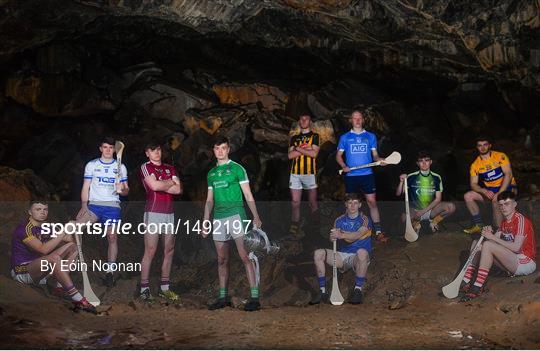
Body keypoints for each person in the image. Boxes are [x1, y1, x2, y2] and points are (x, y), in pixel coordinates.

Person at [201, 136, 263, 312]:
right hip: (218, 218)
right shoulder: (211, 174)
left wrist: (255, 216)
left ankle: (255, 297)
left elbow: (248, 195)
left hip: (236, 215)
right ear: (213, 151)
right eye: (217, 148)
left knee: (245, 256)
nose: (220, 151)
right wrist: (206, 221)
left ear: (228, 149)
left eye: (223, 148)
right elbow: (209, 200)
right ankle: (223, 297)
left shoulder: (237, 169)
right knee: (222, 259)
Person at [10, 200, 96, 313]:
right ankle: (77, 298)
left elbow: (71, 241)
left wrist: (77, 229)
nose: (42, 212)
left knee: (73, 247)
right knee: (54, 258)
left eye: (45, 209)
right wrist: (64, 230)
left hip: (40, 269)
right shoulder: (24, 229)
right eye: (38, 209)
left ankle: (59, 287)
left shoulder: (46, 227)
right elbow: (43, 249)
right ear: (30, 212)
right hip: (23, 271)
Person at [460, 191, 536, 301]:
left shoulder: (521, 220)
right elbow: (491, 240)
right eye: (501, 205)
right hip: (511, 260)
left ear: (514, 204)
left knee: (488, 245)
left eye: (507, 204)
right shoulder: (504, 223)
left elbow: (516, 248)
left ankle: (478, 285)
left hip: (525, 262)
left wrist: (492, 237)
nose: (503, 207)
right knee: (477, 243)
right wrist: (488, 231)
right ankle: (467, 279)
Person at [76, 137, 129, 287]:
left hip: (112, 206)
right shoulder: (92, 165)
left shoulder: (121, 167)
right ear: (100, 148)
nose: (107, 150)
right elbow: (86, 186)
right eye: (104, 147)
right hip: (93, 206)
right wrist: (84, 206)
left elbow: (126, 190)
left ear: (114, 149)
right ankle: (74, 264)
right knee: (77, 228)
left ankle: (110, 272)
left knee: (112, 237)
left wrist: (122, 189)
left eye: (110, 147)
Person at [139, 141, 182, 302]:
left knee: (169, 250)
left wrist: (163, 184)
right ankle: (144, 289)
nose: (156, 152)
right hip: (153, 212)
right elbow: (154, 186)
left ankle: (165, 288)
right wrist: (170, 182)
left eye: (158, 149)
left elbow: (178, 189)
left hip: (169, 214)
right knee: (150, 250)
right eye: (152, 150)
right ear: (147, 153)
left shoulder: (170, 168)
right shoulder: (146, 167)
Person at [336, 110, 388, 242]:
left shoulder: (370, 136)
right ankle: (350, 232)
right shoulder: (345, 137)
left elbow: (375, 155)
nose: (357, 120)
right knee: (351, 204)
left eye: (360, 118)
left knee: (372, 202)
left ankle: (378, 231)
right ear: (351, 120)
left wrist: (379, 159)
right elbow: (338, 156)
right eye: (355, 118)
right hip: (351, 176)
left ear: (363, 120)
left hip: (367, 175)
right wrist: (343, 166)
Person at [310, 193, 372, 305]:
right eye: (350, 203)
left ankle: (358, 290)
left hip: (357, 258)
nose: (352, 205)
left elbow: (357, 235)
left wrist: (341, 235)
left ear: (360, 205)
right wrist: (332, 237)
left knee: (362, 252)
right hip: (342, 256)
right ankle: (323, 291)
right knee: (318, 253)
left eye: (355, 203)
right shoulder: (339, 220)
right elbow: (332, 238)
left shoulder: (365, 220)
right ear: (346, 205)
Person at [463, 137, 517, 234]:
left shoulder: (500, 156)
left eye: (485, 144)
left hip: (507, 185)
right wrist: (484, 191)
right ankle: (479, 225)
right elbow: (473, 184)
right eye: (480, 145)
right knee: (468, 196)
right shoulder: (475, 164)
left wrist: (500, 193)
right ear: (477, 147)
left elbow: (508, 175)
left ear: (490, 145)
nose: (483, 147)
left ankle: (498, 231)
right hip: (491, 189)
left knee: (496, 200)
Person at [395, 151, 455, 234]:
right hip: (415, 211)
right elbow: (398, 194)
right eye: (421, 161)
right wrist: (401, 182)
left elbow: (438, 199)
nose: (424, 163)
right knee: (404, 218)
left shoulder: (436, 177)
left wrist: (423, 211)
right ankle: (416, 224)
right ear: (417, 163)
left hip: (431, 210)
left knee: (451, 207)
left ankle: (434, 222)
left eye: (426, 160)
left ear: (430, 162)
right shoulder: (411, 177)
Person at [288, 114, 320, 237]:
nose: (304, 120)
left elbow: (314, 155)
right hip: (295, 173)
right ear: (299, 121)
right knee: (295, 202)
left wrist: (297, 149)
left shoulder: (315, 136)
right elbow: (290, 156)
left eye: (306, 118)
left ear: (310, 121)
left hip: (309, 174)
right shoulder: (294, 138)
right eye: (301, 118)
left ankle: (315, 226)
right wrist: (305, 149)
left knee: (312, 202)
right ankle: (295, 225)